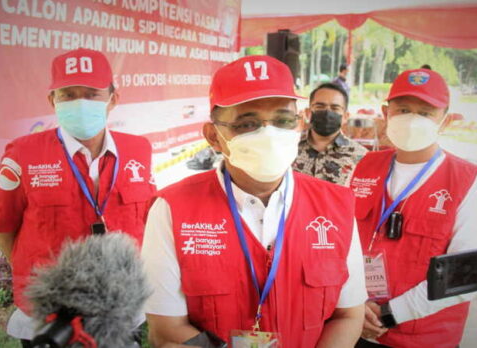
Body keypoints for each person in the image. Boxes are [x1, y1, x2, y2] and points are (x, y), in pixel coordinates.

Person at [141, 55, 366, 348]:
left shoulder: (336, 206)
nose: (268, 134)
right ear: (214, 136)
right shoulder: (173, 209)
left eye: (283, 120)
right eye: (247, 124)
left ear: (299, 123)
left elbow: (348, 315)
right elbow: (166, 329)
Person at [0, 48, 156, 346]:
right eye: (68, 94)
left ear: (113, 99)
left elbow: (146, 219)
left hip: (119, 307)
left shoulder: (138, 149)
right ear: (52, 100)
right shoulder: (24, 152)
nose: (80, 103)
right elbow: (3, 227)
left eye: (91, 94)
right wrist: (35, 273)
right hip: (49, 314)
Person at [350, 69, 477, 348]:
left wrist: (390, 314)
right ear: (386, 112)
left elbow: (468, 273)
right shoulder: (365, 167)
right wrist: (354, 303)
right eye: (403, 109)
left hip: (425, 338)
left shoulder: (468, 182)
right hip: (356, 323)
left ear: (446, 120)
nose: (412, 120)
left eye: (425, 113)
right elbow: (342, 245)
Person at [293, 83, 368, 186]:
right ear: (308, 112)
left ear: (345, 116)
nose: (327, 112)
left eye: (335, 108)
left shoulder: (361, 157)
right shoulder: (289, 147)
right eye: (320, 106)